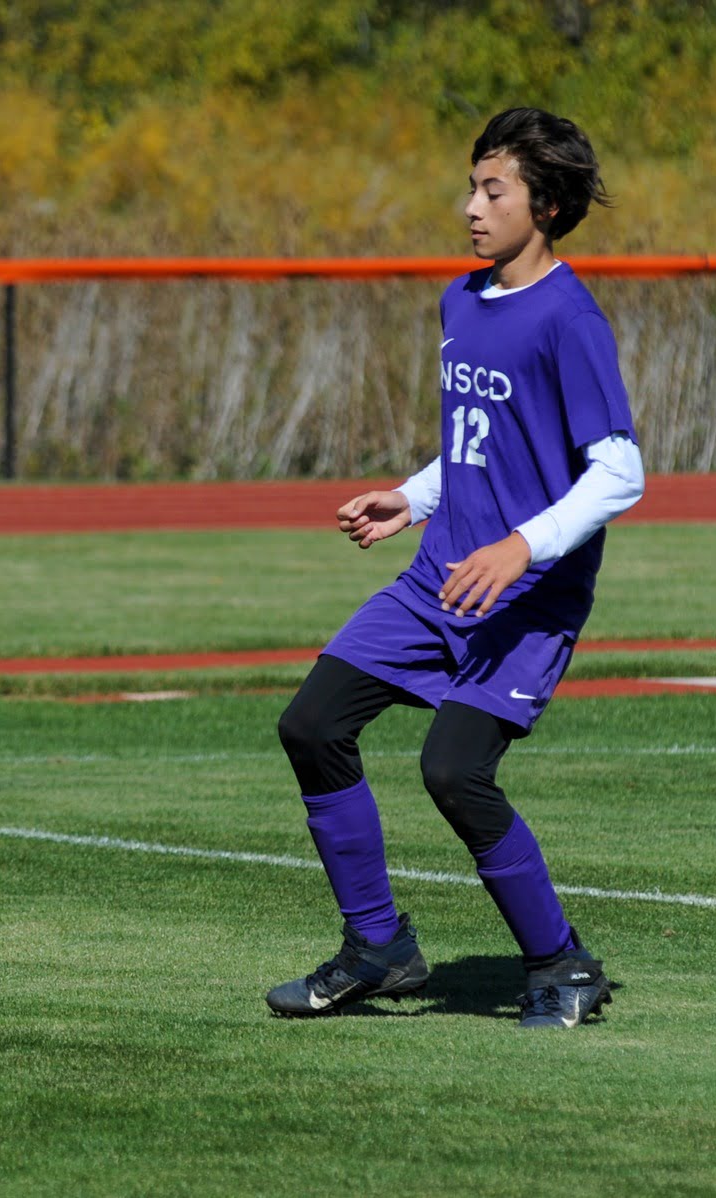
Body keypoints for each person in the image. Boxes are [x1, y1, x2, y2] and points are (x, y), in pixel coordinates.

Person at [266, 108, 642, 1028]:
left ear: (544, 206)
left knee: (454, 773)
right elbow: (482, 444)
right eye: (472, 186)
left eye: (492, 189)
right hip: (439, 579)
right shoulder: (461, 301)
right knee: (313, 725)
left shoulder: (571, 318)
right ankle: (379, 947)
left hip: (526, 600)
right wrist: (413, 496)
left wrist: (521, 545)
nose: (470, 206)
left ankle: (563, 964)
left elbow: (620, 471)